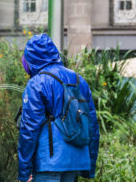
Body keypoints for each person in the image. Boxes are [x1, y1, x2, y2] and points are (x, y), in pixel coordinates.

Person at [18, 34, 100, 182]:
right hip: (75, 160)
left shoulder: (37, 83)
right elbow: (92, 124)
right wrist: (91, 164)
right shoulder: (78, 80)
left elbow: (29, 130)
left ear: (31, 59)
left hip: (48, 162)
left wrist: (24, 171)